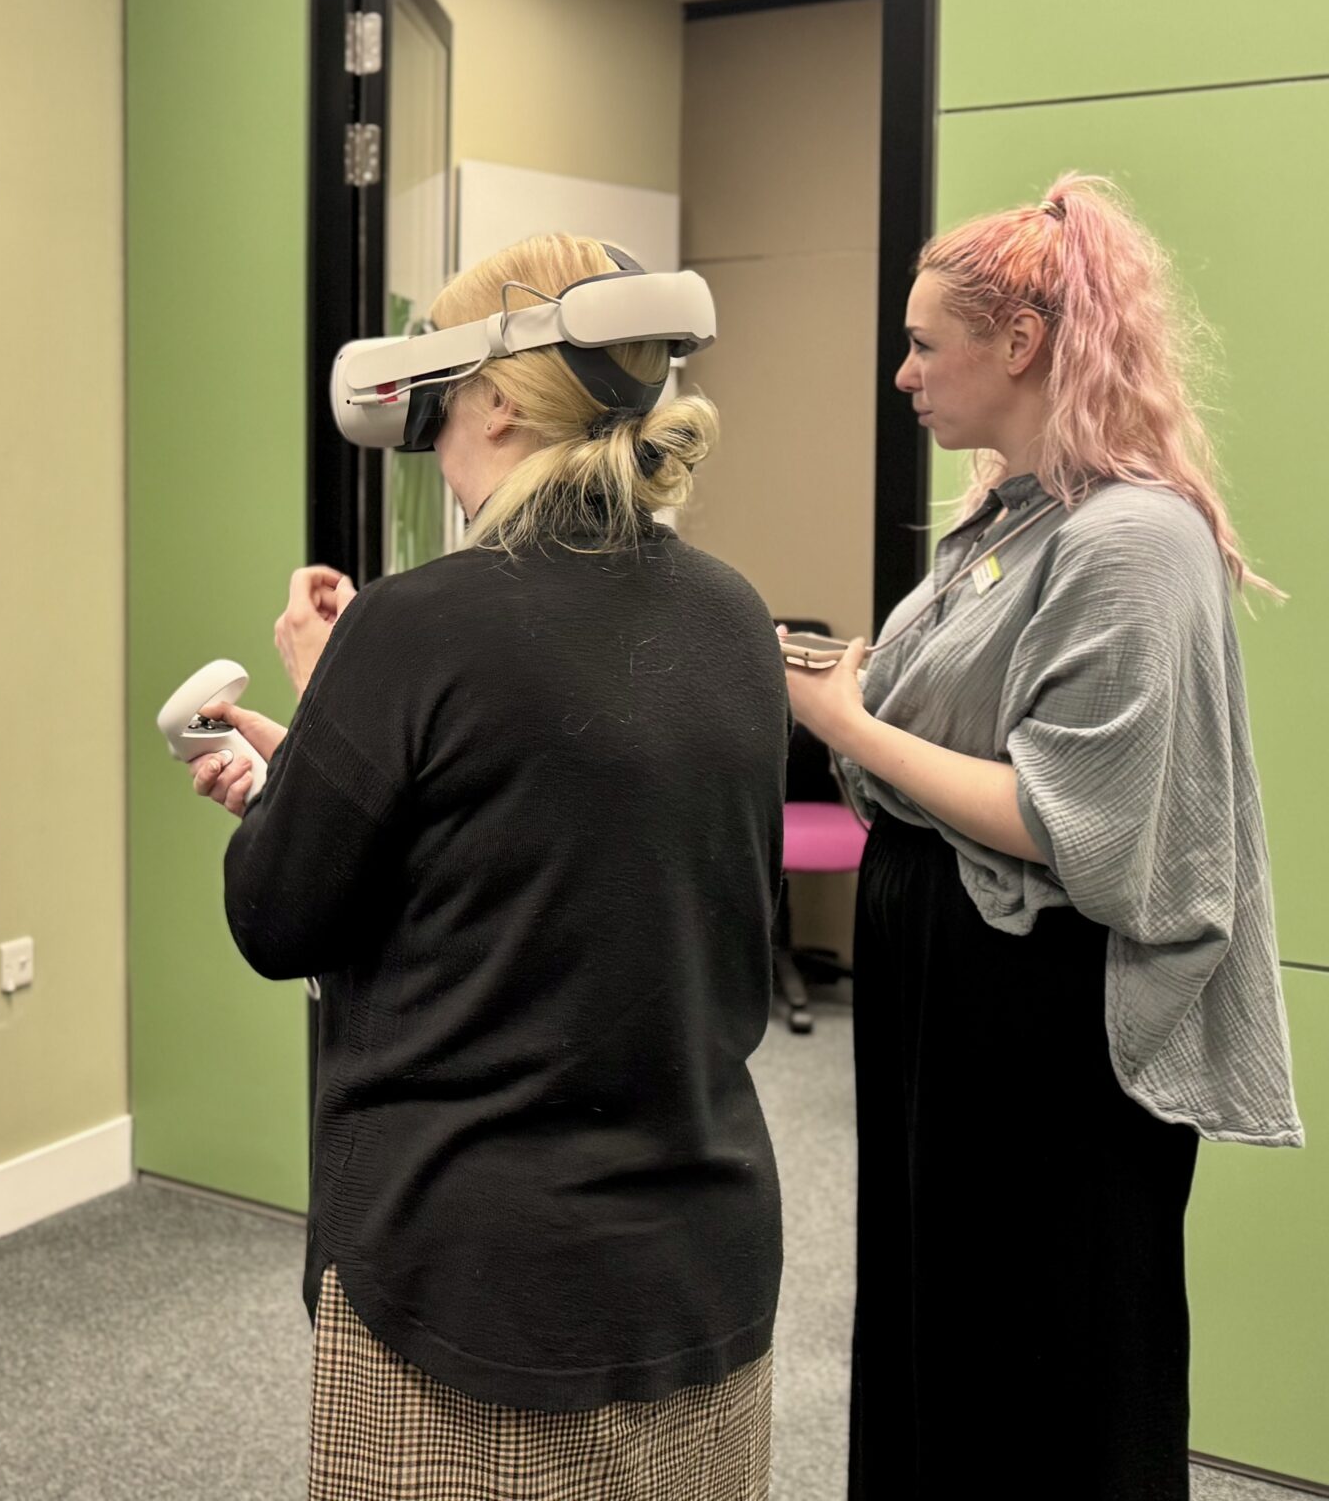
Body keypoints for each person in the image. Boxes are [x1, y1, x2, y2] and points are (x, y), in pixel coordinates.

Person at [189, 233, 786, 1501]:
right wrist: (331, 756)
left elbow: (277, 918)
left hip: (470, 1285)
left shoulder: (414, 626)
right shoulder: (732, 613)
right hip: (702, 1261)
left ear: (499, 399)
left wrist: (330, 716)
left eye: (446, 396)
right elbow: (563, 847)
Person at [785, 174, 1300, 1501]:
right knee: (942, 1326)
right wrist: (855, 695)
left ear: (1018, 343)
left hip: (1041, 1010)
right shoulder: (1007, 518)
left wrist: (846, 724)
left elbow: (1073, 822)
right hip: (946, 984)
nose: (902, 375)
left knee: (1050, 1353)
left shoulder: (1133, 539)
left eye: (922, 344)